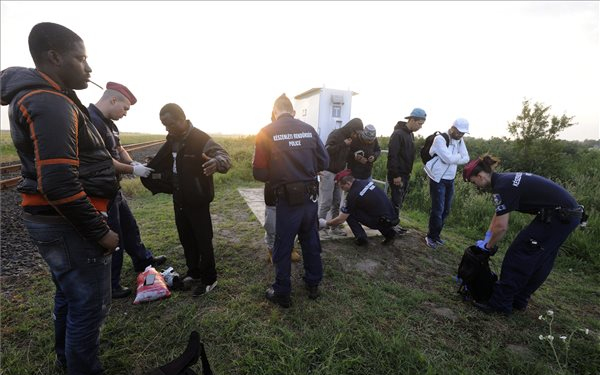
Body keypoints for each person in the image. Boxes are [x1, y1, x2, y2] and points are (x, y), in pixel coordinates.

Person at [1, 22, 120, 374]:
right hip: (70, 226)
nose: (89, 67)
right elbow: (58, 185)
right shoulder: (50, 101)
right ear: (54, 57)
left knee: (69, 294)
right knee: (89, 306)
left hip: (53, 222)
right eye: (80, 58)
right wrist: (101, 233)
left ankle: (67, 360)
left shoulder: (46, 94)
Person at [463, 155, 585, 316]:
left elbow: (501, 227)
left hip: (558, 217)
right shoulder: (505, 180)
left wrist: (488, 247)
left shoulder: (502, 187)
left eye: (473, 182)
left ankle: (501, 303)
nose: (476, 186)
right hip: (567, 216)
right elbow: (499, 215)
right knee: (541, 259)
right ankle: (518, 300)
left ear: (480, 176)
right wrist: (488, 236)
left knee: (519, 254)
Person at [142, 103, 231, 297]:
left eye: (170, 123)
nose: (167, 128)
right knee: (186, 239)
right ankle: (194, 273)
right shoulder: (171, 140)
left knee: (203, 240)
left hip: (198, 199)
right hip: (179, 198)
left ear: (182, 119)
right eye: (164, 124)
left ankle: (210, 279)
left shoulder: (201, 139)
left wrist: (216, 162)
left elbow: (224, 156)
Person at [88, 82, 167, 298]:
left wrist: (135, 165)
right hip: (100, 191)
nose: (125, 114)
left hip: (114, 189)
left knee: (130, 227)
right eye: (125, 108)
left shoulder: (109, 123)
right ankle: (111, 285)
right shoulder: (90, 121)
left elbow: (119, 149)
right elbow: (105, 161)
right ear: (113, 100)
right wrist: (133, 169)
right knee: (114, 236)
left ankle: (143, 261)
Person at [253, 94, 329, 308]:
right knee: (310, 240)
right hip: (310, 197)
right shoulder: (309, 129)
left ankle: (282, 291)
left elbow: (259, 172)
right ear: (292, 112)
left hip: (286, 201)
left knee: (283, 244)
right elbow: (324, 160)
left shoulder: (266, 132)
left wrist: (280, 173)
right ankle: (313, 284)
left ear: (274, 112)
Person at [423, 118, 470, 248]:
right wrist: (457, 158)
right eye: (459, 132)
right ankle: (430, 236)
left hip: (450, 179)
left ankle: (436, 235)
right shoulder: (440, 139)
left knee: (446, 210)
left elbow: (466, 158)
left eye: (463, 133)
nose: (461, 135)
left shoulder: (460, 141)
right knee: (438, 209)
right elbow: (448, 158)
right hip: (437, 178)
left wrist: (454, 159)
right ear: (453, 128)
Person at [323, 170, 398, 246]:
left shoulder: (352, 195)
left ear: (348, 183)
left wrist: (326, 223)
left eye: (342, 187)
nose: (342, 190)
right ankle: (390, 234)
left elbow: (341, 219)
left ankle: (361, 239)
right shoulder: (365, 182)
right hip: (391, 217)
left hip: (380, 221)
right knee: (375, 211)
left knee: (349, 214)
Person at [318, 118, 363, 237]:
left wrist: (354, 156)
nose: (356, 136)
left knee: (337, 202)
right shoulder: (336, 134)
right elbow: (326, 150)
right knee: (326, 202)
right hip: (328, 173)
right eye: (356, 133)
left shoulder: (350, 139)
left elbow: (344, 156)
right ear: (351, 129)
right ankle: (319, 228)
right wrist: (343, 144)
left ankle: (334, 227)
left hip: (340, 174)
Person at [387, 108, 426, 234]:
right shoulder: (398, 134)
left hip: (405, 174)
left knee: (399, 200)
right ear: (412, 120)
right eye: (419, 123)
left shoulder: (410, 134)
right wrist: (396, 175)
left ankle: (394, 224)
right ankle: (390, 226)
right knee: (395, 200)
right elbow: (392, 156)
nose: (420, 127)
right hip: (397, 175)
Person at [263, 182, 301, 263]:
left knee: (291, 225)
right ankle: (272, 250)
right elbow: (260, 174)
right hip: (272, 196)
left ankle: (291, 248)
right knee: (271, 226)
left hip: (291, 193)